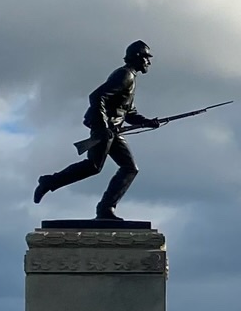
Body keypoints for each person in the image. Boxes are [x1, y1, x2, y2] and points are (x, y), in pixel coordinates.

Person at [34, 41, 160, 220]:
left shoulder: (130, 77)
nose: (149, 62)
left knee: (124, 168)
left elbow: (128, 113)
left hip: (113, 131)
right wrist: (102, 126)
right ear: (138, 57)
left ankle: (104, 208)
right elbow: (96, 96)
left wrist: (148, 122)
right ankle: (100, 207)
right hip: (106, 129)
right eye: (147, 58)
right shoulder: (125, 75)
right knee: (102, 167)